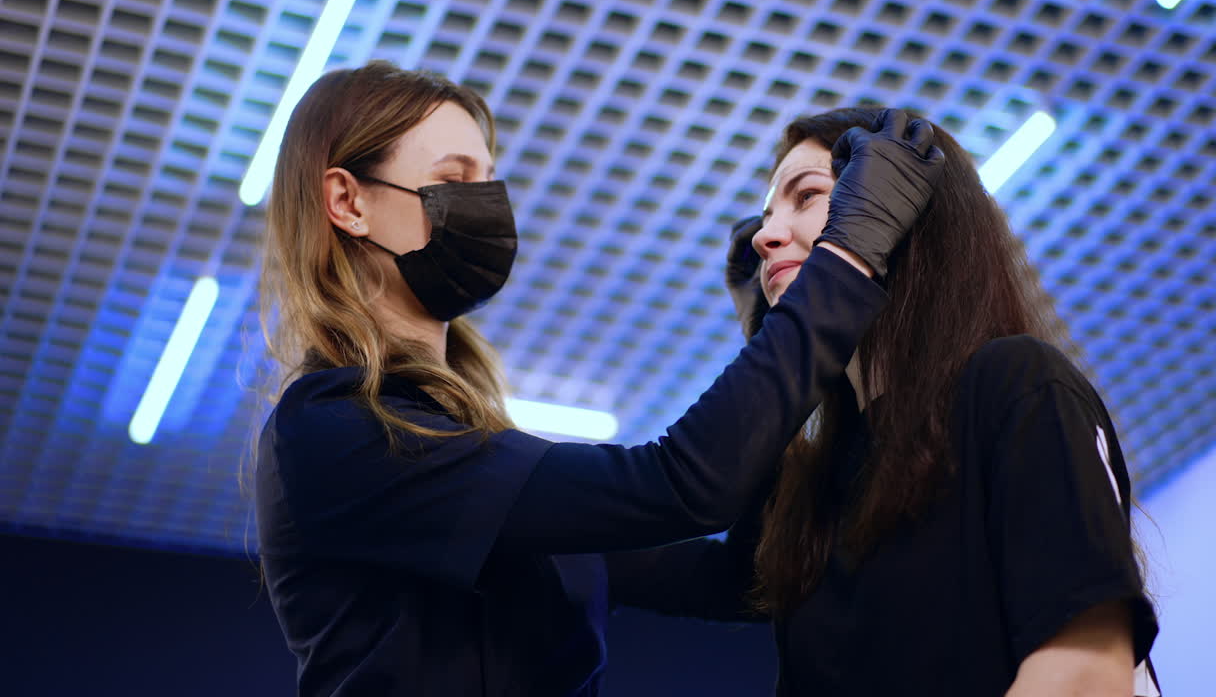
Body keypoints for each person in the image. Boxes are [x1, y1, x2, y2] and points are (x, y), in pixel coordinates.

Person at [251, 61, 945, 696]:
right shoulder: (337, 429)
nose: (485, 204)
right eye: (456, 179)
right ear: (348, 201)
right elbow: (681, 485)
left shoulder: (479, 462)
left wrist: (775, 333)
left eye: (488, 181)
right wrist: (845, 262)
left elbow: (741, 580)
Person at [606, 107, 1161, 696]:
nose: (765, 239)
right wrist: (774, 357)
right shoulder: (822, 484)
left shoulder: (1016, 383)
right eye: (767, 219)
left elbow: (1084, 672)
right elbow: (722, 575)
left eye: (806, 196)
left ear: (899, 209)